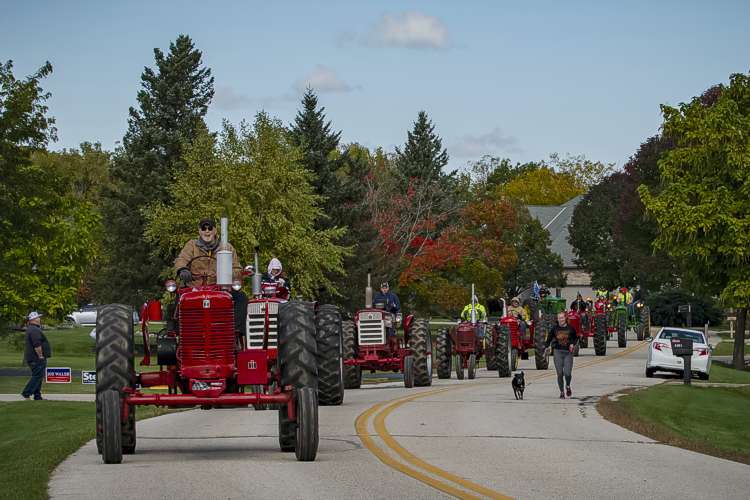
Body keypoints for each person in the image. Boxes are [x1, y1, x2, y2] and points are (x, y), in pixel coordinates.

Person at [174, 217, 241, 286]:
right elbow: (182, 259)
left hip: (219, 288)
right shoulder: (192, 245)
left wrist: (228, 275)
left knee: (240, 296)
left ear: (215, 231)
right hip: (194, 287)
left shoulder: (227, 247)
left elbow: (237, 268)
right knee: (179, 295)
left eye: (210, 228)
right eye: (203, 228)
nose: (207, 231)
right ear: (199, 231)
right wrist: (182, 269)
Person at [545, 311, 579, 399]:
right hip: (557, 352)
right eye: (559, 318)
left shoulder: (570, 328)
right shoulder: (554, 329)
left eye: (562, 318)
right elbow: (549, 339)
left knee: (567, 373)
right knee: (560, 373)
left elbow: (575, 338)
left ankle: (567, 386)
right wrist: (547, 346)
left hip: (568, 353)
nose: (560, 320)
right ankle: (561, 392)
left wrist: (572, 344)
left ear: (565, 318)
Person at [21, 312, 51, 401]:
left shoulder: (32, 329)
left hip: (35, 358)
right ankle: (26, 392)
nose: (39, 319)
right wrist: (40, 356)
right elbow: (37, 344)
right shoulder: (34, 330)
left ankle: (37, 396)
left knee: (38, 376)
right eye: (38, 318)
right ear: (33, 319)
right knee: (37, 376)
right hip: (36, 358)